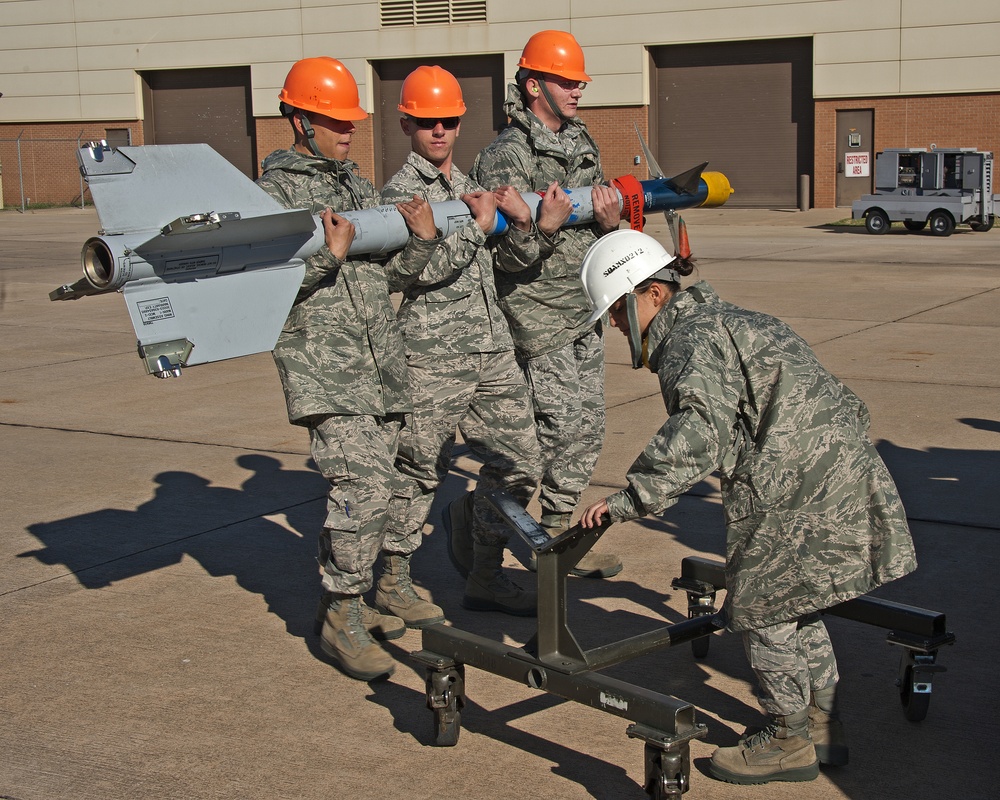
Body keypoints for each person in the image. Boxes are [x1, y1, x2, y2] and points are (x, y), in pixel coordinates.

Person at [578, 229, 918, 785]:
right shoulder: (735, 320)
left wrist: (628, 498)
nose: (616, 326)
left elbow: (697, 432)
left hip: (791, 485)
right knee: (797, 604)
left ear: (654, 295)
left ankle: (787, 741)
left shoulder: (690, 340)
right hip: (840, 470)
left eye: (617, 312)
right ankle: (820, 723)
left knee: (761, 612)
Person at [256, 57, 439, 682]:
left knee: (389, 485)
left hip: (380, 362)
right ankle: (340, 613)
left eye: (350, 119)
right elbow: (262, 286)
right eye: (333, 120)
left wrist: (418, 242)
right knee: (360, 490)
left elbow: (389, 280)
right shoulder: (272, 195)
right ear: (298, 120)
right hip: (325, 367)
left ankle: (364, 594)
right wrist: (325, 259)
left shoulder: (358, 187)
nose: (347, 130)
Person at [381, 65, 566, 616]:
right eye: (426, 122)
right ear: (407, 125)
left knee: (523, 461)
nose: (438, 132)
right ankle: (392, 578)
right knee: (417, 468)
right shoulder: (399, 196)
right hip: (433, 355)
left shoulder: (470, 189)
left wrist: (531, 228)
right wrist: (479, 229)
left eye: (448, 122)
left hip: (491, 350)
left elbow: (511, 263)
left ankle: (485, 571)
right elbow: (417, 271)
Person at [454, 30, 623, 579]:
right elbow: (502, 256)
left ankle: (554, 540)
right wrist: (543, 231)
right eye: (565, 82)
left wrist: (608, 226)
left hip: (581, 306)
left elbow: (588, 216)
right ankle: (483, 560)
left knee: (588, 426)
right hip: (533, 313)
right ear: (533, 86)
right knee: (543, 436)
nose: (576, 91)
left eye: (578, 83)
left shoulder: (581, 141)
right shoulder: (507, 155)